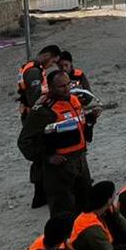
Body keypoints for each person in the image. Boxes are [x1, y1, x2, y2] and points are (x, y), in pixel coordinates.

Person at [19, 70, 103, 216]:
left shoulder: (73, 100)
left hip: (80, 161)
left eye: (68, 84)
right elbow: (24, 141)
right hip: (59, 168)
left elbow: (75, 127)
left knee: (86, 208)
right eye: (61, 86)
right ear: (50, 88)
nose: (66, 89)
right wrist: (47, 157)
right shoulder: (43, 110)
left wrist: (90, 119)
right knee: (63, 213)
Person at [17, 44, 61, 123]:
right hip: (34, 116)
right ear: (47, 55)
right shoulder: (34, 71)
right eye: (53, 61)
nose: (52, 65)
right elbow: (35, 98)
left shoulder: (34, 67)